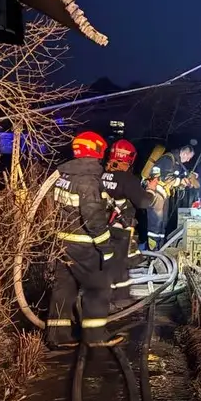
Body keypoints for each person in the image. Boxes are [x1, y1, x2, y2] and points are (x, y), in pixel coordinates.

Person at [46, 131, 123, 349]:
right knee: (98, 287)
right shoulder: (88, 181)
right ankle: (95, 336)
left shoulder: (65, 175)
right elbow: (93, 219)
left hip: (62, 243)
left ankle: (58, 336)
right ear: (96, 150)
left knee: (64, 288)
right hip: (84, 244)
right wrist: (106, 247)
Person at [101, 139, 157, 306]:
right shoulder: (127, 179)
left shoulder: (100, 175)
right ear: (130, 159)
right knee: (120, 269)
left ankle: (105, 297)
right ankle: (120, 302)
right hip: (120, 229)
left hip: (100, 228)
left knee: (106, 264)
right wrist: (151, 189)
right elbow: (144, 202)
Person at [144, 144, 194, 250]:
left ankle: (160, 248)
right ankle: (152, 251)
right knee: (155, 224)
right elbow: (165, 177)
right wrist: (180, 181)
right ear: (184, 153)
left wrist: (184, 180)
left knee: (163, 223)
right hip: (156, 194)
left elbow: (175, 177)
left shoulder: (176, 163)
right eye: (189, 157)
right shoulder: (167, 159)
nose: (188, 160)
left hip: (164, 195)